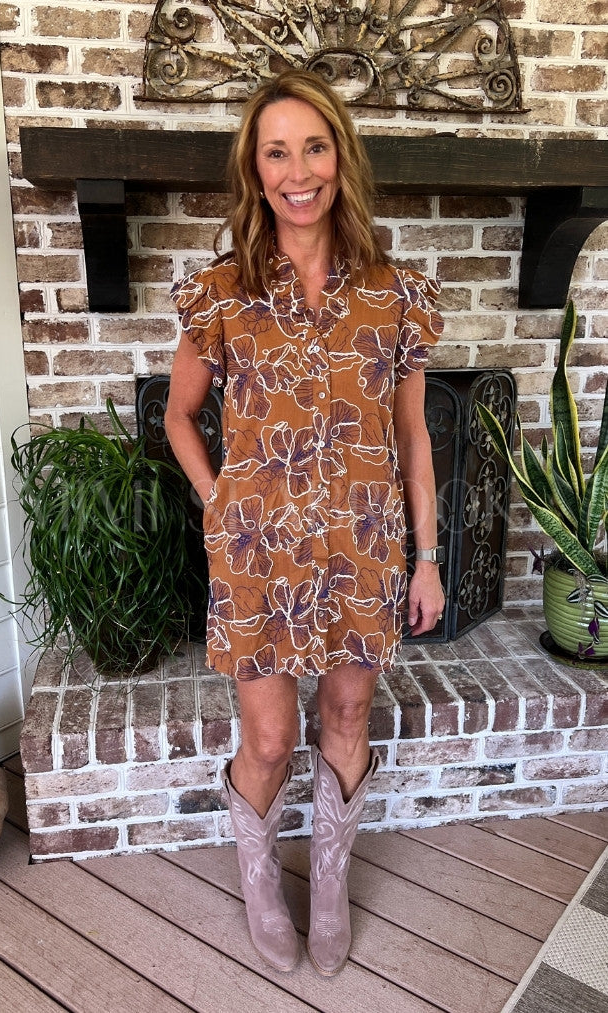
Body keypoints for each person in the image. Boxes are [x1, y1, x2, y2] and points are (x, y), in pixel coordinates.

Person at [164, 68, 445, 977]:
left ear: (339, 158)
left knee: (349, 712)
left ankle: (328, 889)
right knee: (271, 739)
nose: (298, 171)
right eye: (276, 152)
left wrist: (427, 556)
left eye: (314, 147)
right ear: (255, 169)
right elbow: (179, 415)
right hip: (258, 555)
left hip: (364, 548)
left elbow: (412, 435)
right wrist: (218, 498)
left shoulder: (394, 293)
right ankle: (259, 886)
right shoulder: (221, 292)